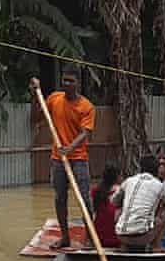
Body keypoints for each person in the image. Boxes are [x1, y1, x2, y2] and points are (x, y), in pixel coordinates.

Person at [30, 69, 95, 250]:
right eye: (64, 81)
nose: (67, 84)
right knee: (60, 198)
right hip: (58, 159)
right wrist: (35, 95)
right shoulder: (54, 99)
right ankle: (65, 237)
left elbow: (85, 133)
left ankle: (89, 237)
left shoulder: (86, 107)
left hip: (78, 159)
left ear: (78, 83)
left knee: (84, 199)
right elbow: (36, 118)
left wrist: (70, 149)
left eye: (71, 81)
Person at [113, 154, 165, 252]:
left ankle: (124, 245)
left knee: (118, 207)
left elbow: (114, 201)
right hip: (143, 237)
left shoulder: (129, 180)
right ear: (157, 169)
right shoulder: (160, 186)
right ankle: (156, 245)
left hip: (120, 235)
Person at [91, 163, 123, 248]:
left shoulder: (95, 191)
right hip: (116, 239)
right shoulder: (122, 191)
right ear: (118, 177)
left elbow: (92, 214)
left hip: (98, 238)